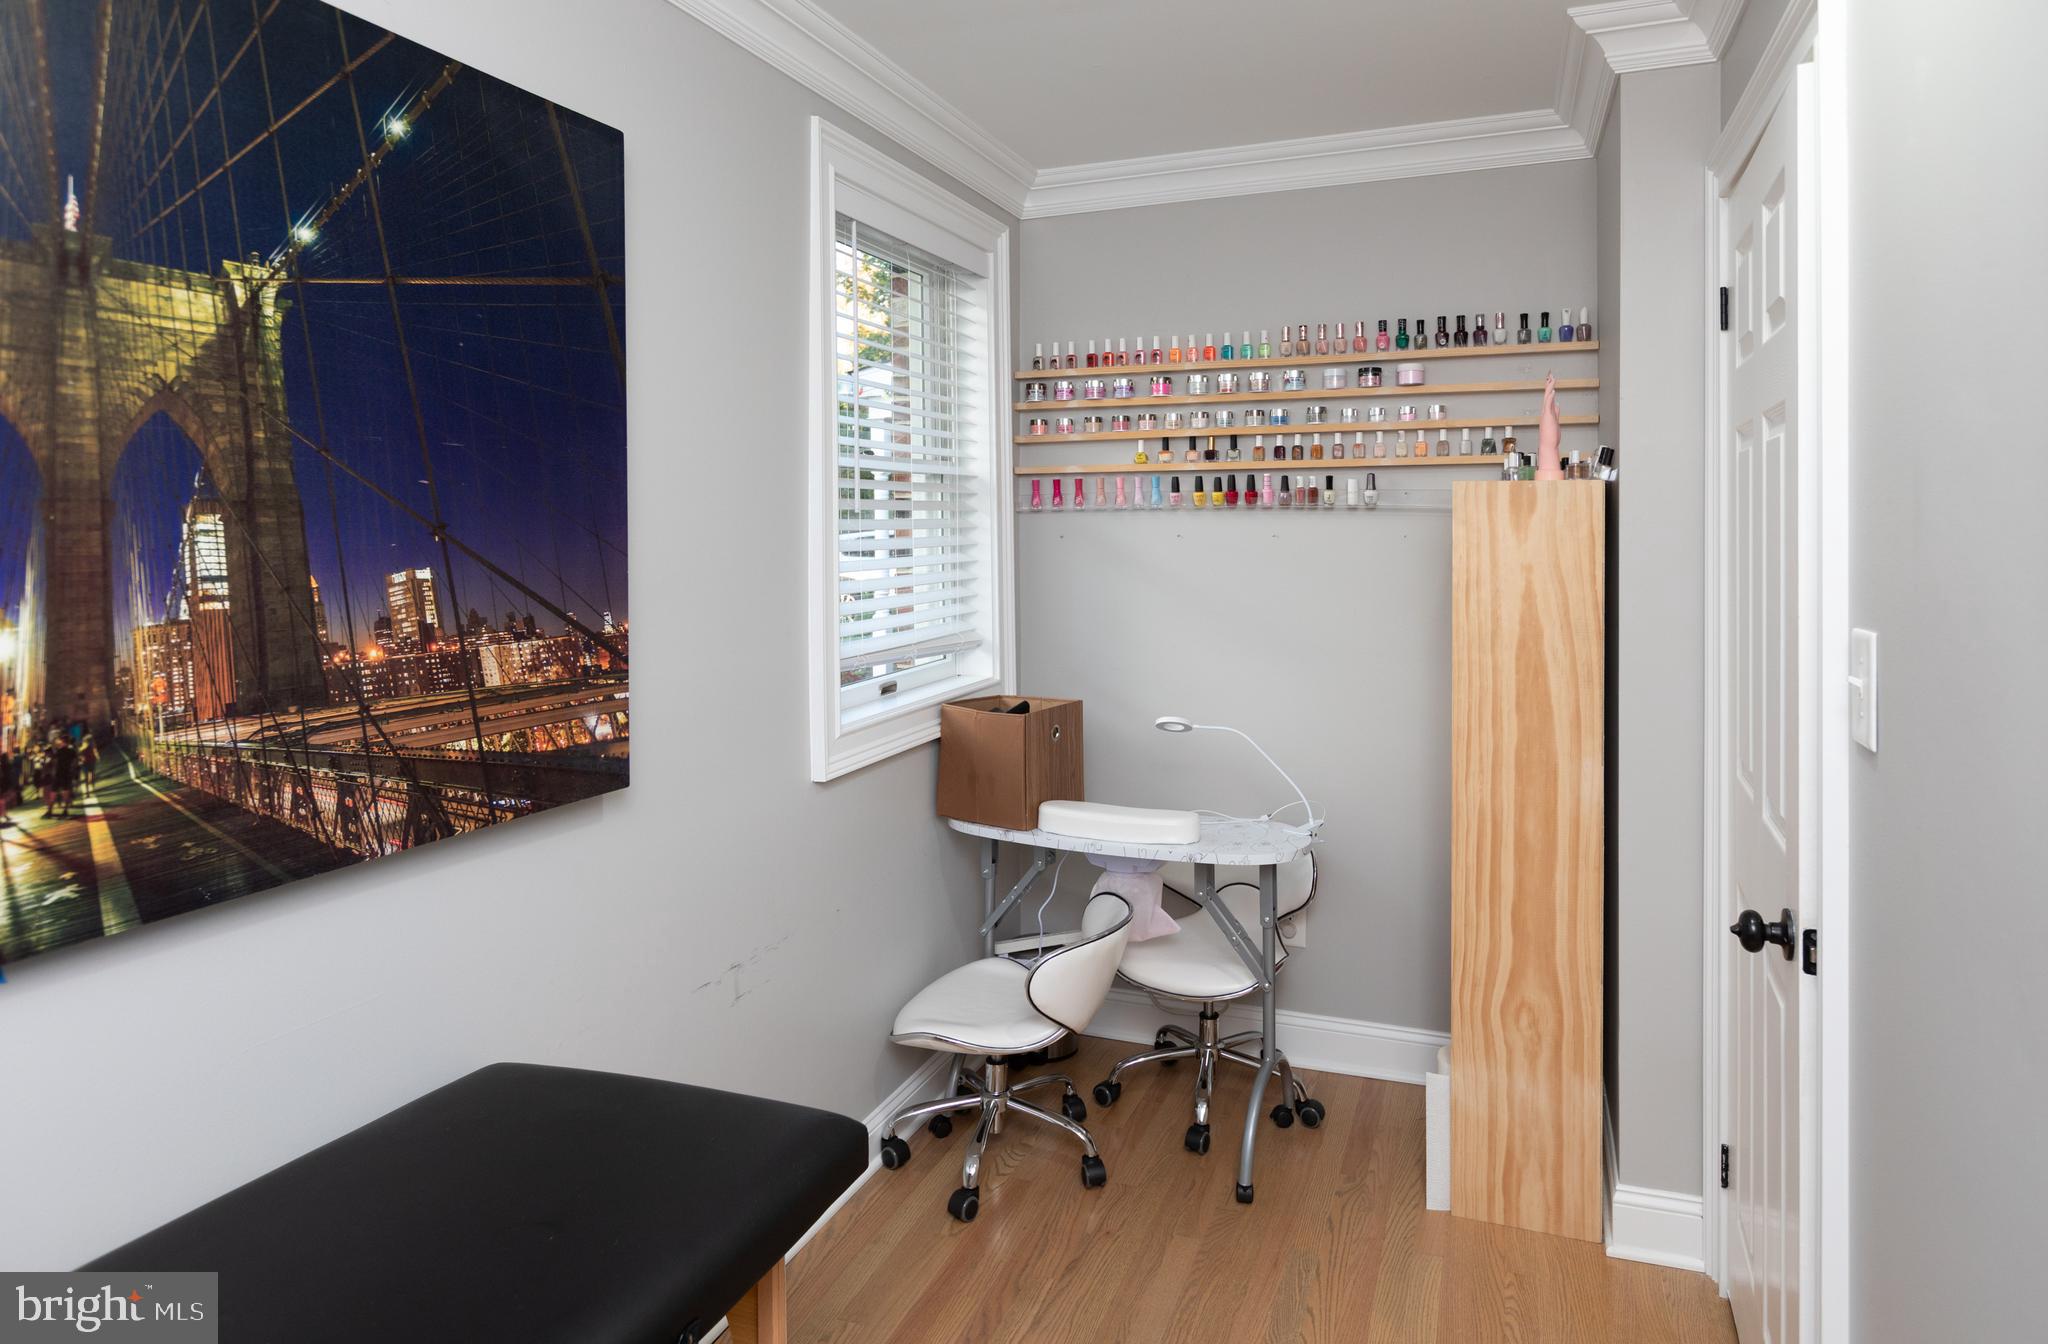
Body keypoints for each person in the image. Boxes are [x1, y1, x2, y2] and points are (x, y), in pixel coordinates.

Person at [46, 731, 76, 819]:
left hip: (59, 774)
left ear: (63, 741)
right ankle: (65, 810)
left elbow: (54, 762)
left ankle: (50, 811)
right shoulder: (71, 751)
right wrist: (72, 772)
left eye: (60, 741)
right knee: (65, 792)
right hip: (66, 774)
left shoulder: (59, 751)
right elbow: (74, 763)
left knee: (53, 792)